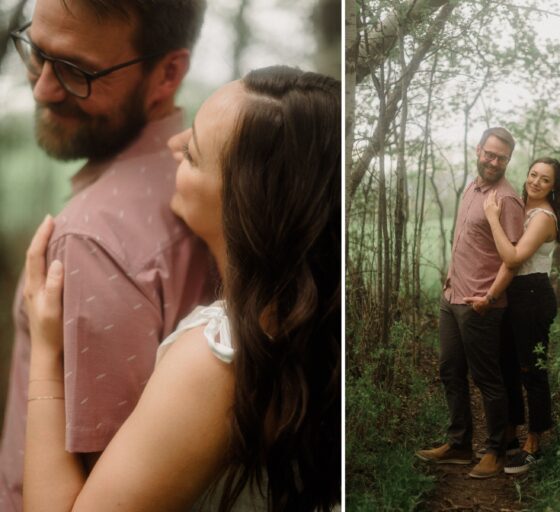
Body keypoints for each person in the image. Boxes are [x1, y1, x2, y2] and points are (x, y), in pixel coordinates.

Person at [21, 66, 341, 510]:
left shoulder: (217, 361)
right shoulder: (318, 314)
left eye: (191, 154)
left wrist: (45, 353)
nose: (173, 149)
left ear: (245, 205)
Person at [0, 1, 213, 509]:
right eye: (37, 51)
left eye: (77, 71)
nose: (42, 88)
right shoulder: (214, 192)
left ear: (167, 73)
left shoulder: (89, 241)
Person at [416, 128, 526, 479]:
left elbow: (513, 260)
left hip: (481, 304)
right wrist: (449, 278)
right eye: (489, 154)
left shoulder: (506, 200)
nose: (493, 162)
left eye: (501, 158)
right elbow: (464, 239)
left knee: (487, 379)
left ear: (508, 161)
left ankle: (495, 449)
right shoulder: (471, 187)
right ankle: (459, 445)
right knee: (450, 371)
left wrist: (490, 298)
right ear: (478, 150)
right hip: (452, 299)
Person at [481, 157, 560, 474]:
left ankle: (535, 444)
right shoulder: (521, 207)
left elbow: (514, 257)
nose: (536, 182)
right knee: (507, 365)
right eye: (533, 174)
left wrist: (492, 217)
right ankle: (510, 433)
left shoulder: (544, 217)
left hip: (533, 295)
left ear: (554, 187)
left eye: (545, 179)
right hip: (512, 294)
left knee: (532, 370)